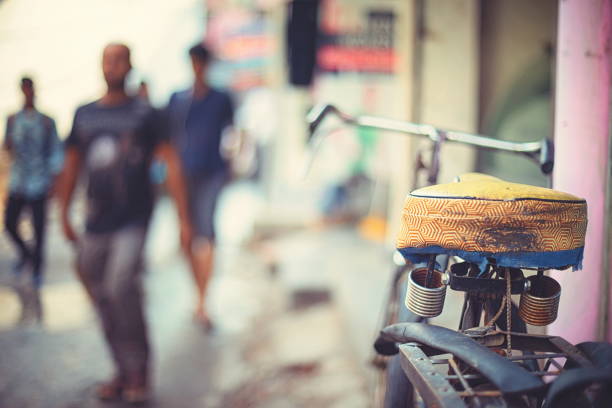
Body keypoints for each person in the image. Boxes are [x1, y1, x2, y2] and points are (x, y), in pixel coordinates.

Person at [56, 43, 192, 403]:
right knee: (101, 296)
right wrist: (63, 212)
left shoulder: (146, 113)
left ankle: (140, 370)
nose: (112, 66)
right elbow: (71, 165)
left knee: (120, 287)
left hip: (133, 219)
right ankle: (121, 368)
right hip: (94, 222)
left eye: (118, 60)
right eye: (106, 60)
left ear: (130, 67)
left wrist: (183, 219)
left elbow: (171, 161)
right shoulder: (84, 114)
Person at [166, 43, 234, 328]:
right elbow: (168, 142)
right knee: (186, 236)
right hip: (183, 176)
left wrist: (231, 165)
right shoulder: (178, 100)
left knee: (205, 237)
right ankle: (198, 293)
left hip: (212, 174)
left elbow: (233, 134)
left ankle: (203, 302)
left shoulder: (221, 99)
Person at [3, 77, 63, 295]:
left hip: (39, 181)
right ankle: (26, 255)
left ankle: (37, 270)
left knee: (39, 230)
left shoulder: (46, 121)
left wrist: (54, 183)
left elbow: (56, 153)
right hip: (18, 180)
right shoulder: (12, 119)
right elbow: (7, 146)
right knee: (10, 223)